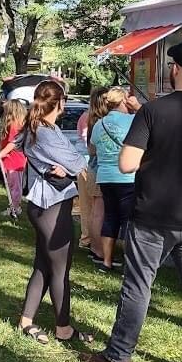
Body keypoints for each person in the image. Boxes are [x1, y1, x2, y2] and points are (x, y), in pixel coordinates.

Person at [82, 40, 182, 362]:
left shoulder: (153, 111)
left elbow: (126, 164)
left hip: (152, 216)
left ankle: (119, 354)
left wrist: (154, 161)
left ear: (174, 69)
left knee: (138, 285)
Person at [0, 80, 92, 345]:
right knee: (60, 270)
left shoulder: (37, 127)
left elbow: (65, 160)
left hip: (44, 205)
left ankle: (26, 320)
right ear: (59, 102)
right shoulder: (45, 131)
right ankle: (63, 328)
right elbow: (77, 160)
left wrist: (66, 166)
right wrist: (68, 166)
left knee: (43, 266)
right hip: (51, 206)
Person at [90, 87, 136, 273]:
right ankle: (129, 264)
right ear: (124, 100)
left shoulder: (99, 124)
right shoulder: (133, 120)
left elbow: (92, 150)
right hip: (128, 176)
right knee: (128, 220)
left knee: (110, 217)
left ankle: (107, 261)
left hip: (105, 176)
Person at [76, 87, 107, 259]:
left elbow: (85, 142)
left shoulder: (87, 118)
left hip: (86, 165)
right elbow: (93, 149)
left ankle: (88, 241)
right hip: (97, 167)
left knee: (89, 209)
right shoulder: (104, 121)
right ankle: (96, 247)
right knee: (98, 210)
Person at [0, 99, 27, 219]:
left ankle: (15, 207)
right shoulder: (15, 124)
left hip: (14, 160)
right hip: (11, 159)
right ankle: (14, 205)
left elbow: (12, 143)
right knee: (12, 185)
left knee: (15, 186)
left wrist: (0, 154)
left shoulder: (15, 125)